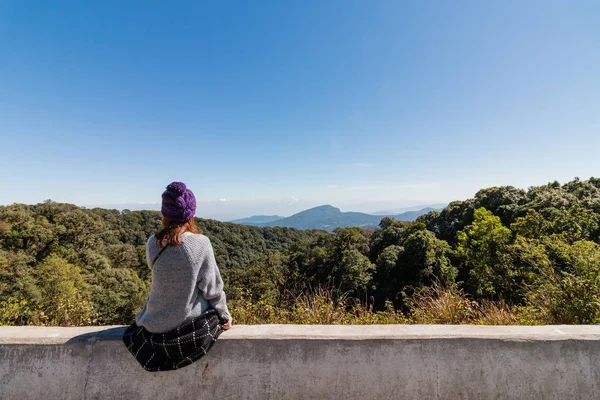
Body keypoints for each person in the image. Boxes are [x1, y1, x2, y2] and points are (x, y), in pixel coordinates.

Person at [123, 182, 232, 372]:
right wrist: (224, 314)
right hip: (186, 326)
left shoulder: (153, 243)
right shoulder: (200, 243)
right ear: (191, 213)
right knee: (212, 312)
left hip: (153, 325)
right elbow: (212, 288)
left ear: (165, 213)